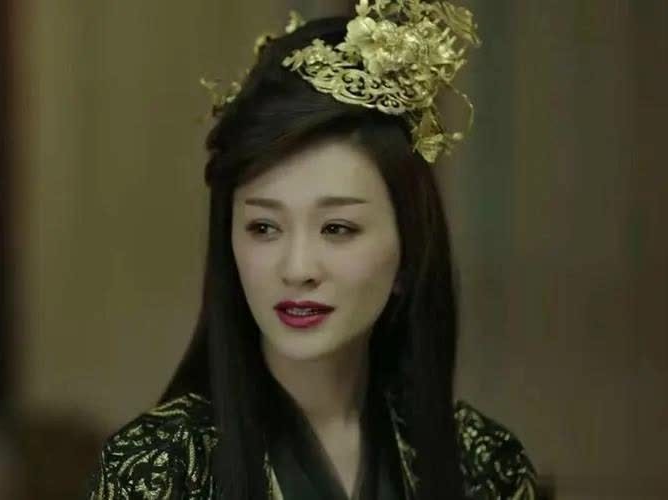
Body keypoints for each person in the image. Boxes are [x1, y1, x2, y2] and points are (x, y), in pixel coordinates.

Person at [86, 1, 538, 499]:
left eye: (337, 228)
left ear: (409, 250)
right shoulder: (158, 469)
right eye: (263, 227)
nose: (297, 268)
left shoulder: (482, 467)